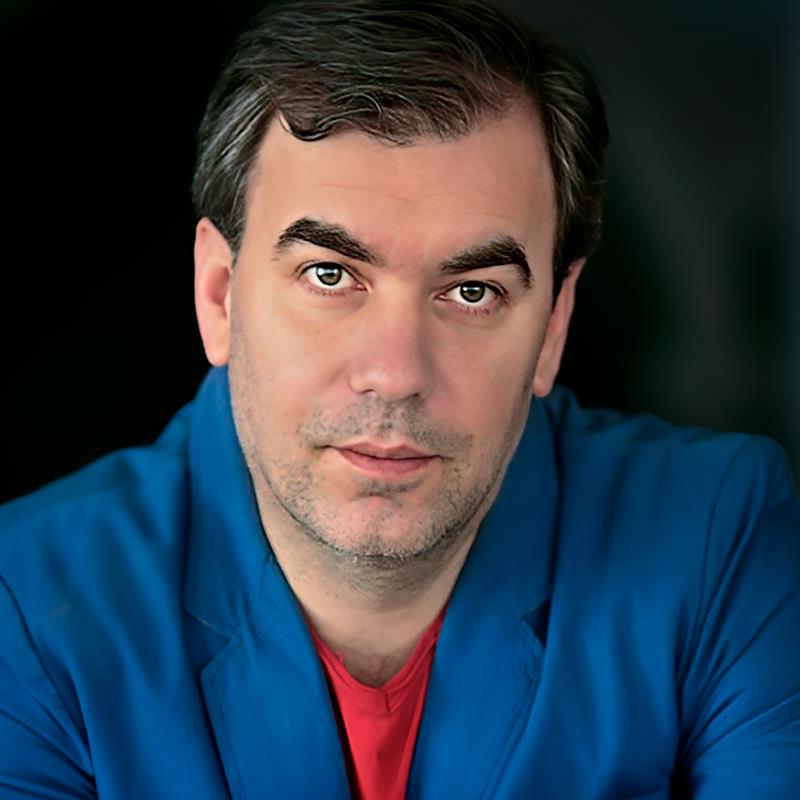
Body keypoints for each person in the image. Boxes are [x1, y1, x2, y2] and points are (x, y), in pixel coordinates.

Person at [1, 0, 798, 797]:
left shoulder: (719, 541)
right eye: (329, 275)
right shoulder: (26, 604)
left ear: (554, 324)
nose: (394, 373)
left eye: (473, 291)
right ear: (219, 293)